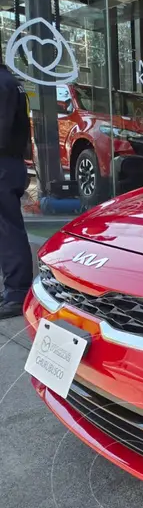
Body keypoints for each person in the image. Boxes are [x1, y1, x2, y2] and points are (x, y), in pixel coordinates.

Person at [0, 55, 33, 319]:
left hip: (4, 164)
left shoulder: (2, 83)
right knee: (8, 228)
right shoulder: (10, 82)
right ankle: (14, 288)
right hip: (10, 163)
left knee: (8, 230)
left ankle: (17, 292)